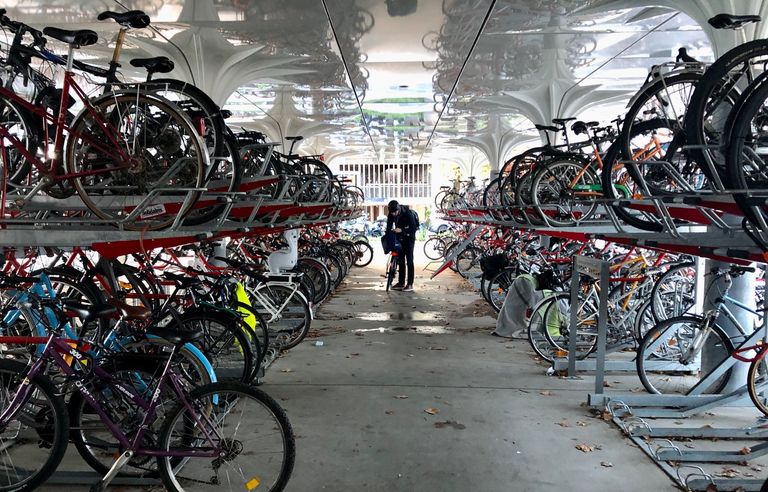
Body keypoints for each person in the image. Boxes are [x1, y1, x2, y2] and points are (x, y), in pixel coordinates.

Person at [386, 199, 416, 291]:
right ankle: (401, 282)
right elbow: (389, 225)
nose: (393, 215)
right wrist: (388, 234)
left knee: (409, 260)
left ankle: (410, 284)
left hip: (409, 238)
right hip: (399, 238)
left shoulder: (407, 213)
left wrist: (402, 230)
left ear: (398, 209)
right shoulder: (391, 214)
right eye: (392, 213)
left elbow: (413, 228)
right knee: (401, 259)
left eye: (395, 212)